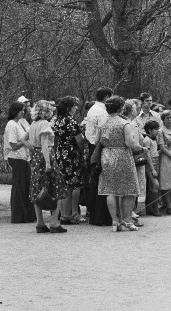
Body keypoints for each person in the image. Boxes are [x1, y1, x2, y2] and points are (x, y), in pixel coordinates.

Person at [98, 95, 144, 232]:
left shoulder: (102, 122)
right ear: (121, 107)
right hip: (122, 155)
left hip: (106, 155)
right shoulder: (124, 123)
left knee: (110, 190)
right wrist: (142, 148)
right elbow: (130, 144)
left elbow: (96, 141)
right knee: (129, 189)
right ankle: (127, 220)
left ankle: (115, 221)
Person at [29, 100, 67, 234]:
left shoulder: (33, 124)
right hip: (46, 156)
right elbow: (45, 144)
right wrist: (48, 163)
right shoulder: (44, 123)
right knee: (56, 188)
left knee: (38, 189)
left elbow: (25, 139)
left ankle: (40, 223)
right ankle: (54, 222)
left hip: (35, 157)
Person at [53, 96, 85, 224]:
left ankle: (63, 214)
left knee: (64, 184)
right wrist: (83, 152)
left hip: (61, 153)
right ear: (68, 108)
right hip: (72, 154)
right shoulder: (71, 121)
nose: (76, 108)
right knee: (73, 185)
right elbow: (80, 140)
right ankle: (69, 214)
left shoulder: (57, 120)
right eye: (74, 106)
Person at [84, 87, 113, 226]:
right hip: (98, 147)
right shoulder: (102, 112)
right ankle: (100, 215)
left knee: (95, 181)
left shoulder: (92, 109)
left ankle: (94, 212)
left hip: (93, 147)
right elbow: (103, 135)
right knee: (101, 181)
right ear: (107, 97)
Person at [3, 100, 36, 224]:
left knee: (26, 186)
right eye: (20, 110)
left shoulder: (19, 124)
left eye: (24, 110)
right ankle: (18, 216)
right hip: (16, 158)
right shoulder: (11, 125)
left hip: (24, 158)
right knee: (19, 187)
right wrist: (24, 141)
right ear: (14, 111)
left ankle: (27, 215)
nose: (23, 112)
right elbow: (13, 145)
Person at [142, 120, 162, 216]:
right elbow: (148, 155)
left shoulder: (154, 139)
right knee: (155, 184)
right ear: (149, 130)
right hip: (151, 163)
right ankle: (155, 208)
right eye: (155, 129)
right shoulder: (147, 140)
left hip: (156, 160)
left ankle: (151, 207)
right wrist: (152, 169)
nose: (157, 131)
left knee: (153, 186)